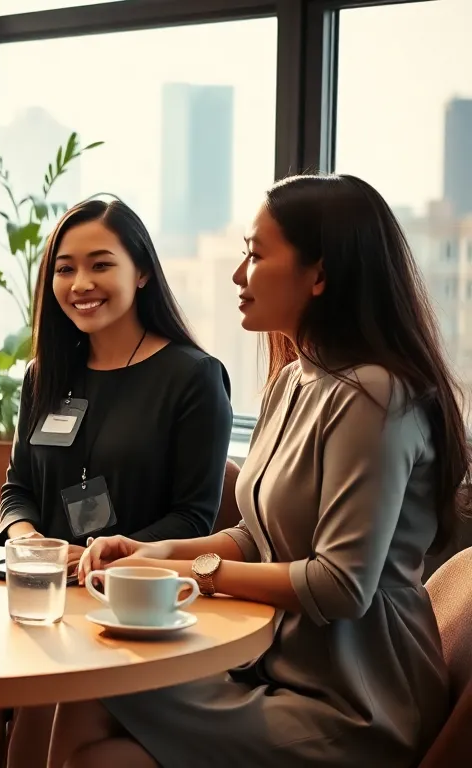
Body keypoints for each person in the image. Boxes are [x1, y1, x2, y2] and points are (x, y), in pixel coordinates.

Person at [45, 173, 463, 768]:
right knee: (88, 686)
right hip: (276, 666)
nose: (239, 274)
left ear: (319, 274)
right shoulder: (295, 379)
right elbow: (258, 536)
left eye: (255, 254)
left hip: (356, 705)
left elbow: (339, 586)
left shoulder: (374, 398)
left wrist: (195, 573)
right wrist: (149, 553)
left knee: (94, 696)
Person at [0, 197, 234, 768]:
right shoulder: (46, 373)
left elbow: (195, 516)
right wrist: (27, 540)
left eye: (101, 264)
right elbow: (17, 486)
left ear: (142, 272)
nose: (80, 283)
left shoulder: (193, 377)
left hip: (124, 603)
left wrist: (104, 556)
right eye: (65, 268)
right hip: (35, 593)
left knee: (43, 701)